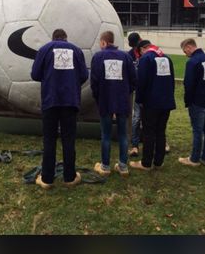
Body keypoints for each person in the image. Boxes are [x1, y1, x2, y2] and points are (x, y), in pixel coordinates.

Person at [30, 29, 88, 188]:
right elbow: (84, 75)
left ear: (53, 37)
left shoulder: (44, 49)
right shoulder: (76, 50)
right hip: (70, 101)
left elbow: (35, 74)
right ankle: (70, 177)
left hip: (50, 101)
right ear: (66, 38)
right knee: (69, 139)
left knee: (49, 139)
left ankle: (47, 179)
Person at [90, 30, 136, 176]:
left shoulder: (98, 57)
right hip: (122, 100)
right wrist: (125, 92)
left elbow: (94, 81)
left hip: (105, 99)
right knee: (123, 134)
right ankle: (123, 166)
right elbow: (134, 79)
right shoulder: (125, 57)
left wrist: (98, 97)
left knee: (106, 134)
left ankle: (105, 166)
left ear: (103, 42)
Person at [133, 39, 175, 170]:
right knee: (161, 132)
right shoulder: (167, 58)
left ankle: (146, 163)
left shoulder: (146, 59)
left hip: (151, 103)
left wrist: (139, 100)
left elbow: (141, 82)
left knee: (148, 132)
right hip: (166, 102)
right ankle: (158, 161)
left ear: (142, 50)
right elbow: (172, 81)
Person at [179, 38, 205, 167]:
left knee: (197, 131)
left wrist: (187, 101)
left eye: (185, 51)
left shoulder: (192, 62)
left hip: (197, 102)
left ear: (189, 47)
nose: (186, 54)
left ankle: (194, 159)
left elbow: (188, 84)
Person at [126, 31, 144, 157]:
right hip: (138, 91)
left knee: (143, 117)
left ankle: (137, 145)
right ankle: (135, 145)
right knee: (137, 118)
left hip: (146, 91)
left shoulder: (148, 54)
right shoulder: (129, 56)